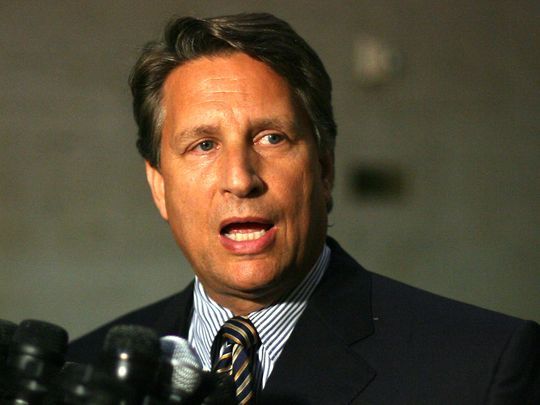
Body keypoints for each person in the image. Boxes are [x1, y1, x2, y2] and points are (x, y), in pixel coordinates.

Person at [68, 13, 539, 404]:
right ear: (159, 186)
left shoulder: (480, 367)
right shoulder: (79, 373)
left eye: (271, 138)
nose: (240, 179)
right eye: (204, 145)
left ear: (324, 169)